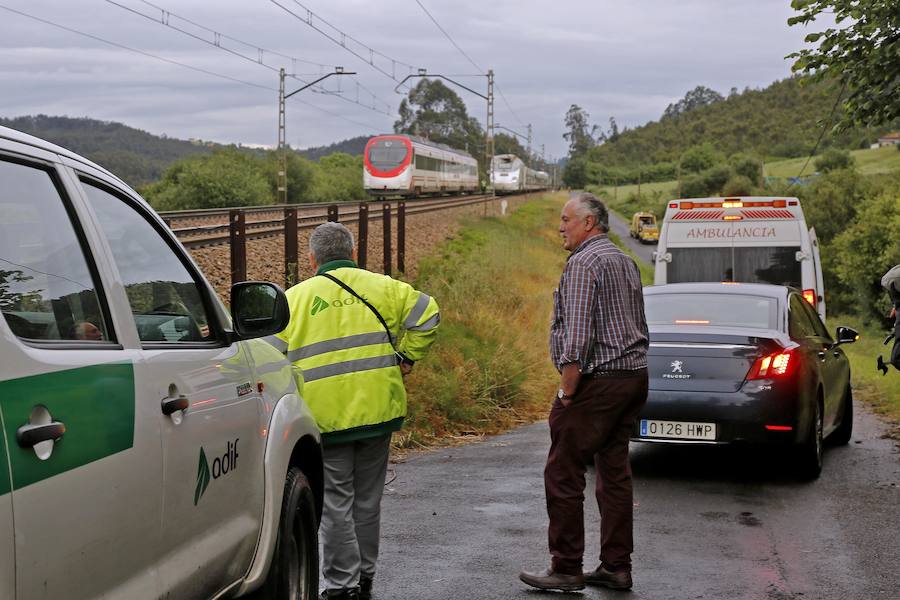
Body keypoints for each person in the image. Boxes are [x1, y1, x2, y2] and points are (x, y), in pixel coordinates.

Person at [272, 222, 440, 600]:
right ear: (352, 254)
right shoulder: (384, 287)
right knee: (367, 502)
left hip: (326, 420)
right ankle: (364, 578)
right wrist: (407, 357)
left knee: (335, 505)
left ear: (312, 259)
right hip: (378, 413)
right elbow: (428, 314)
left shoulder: (294, 300)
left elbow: (266, 351)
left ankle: (341, 586)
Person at [520, 192, 649, 592]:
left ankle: (566, 567)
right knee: (614, 472)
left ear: (588, 223)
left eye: (566, 220)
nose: (560, 227)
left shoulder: (583, 262)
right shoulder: (624, 260)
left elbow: (577, 337)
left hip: (600, 382)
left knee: (562, 471)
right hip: (633, 377)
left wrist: (567, 392)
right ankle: (616, 566)